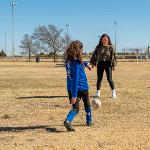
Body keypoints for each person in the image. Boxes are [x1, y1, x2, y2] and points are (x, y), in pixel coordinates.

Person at [64, 40, 93, 132]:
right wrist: (74, 95)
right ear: (78, 50)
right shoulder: (76, 63)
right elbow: (75, 79)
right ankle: (89, 121)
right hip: (81, 87)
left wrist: (86, 64)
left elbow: (80, 62)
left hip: (70, 88)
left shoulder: (68, 61)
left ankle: (68, 121)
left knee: (75, 108)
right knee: (87, 104)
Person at [90, 34, 117, 98]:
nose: (104, 40)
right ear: (101, 40)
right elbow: (94, 56)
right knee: (99, 79)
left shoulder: (111, 48)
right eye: (103, 39)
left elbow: (113, 57)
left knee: (109, 79)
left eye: (106, 39)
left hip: (108, 64)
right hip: (100, 64)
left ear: (108, 40)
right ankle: (98, 93)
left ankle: (114, 93)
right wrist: (93, 64)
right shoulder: (98, 47)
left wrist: (113, 66)